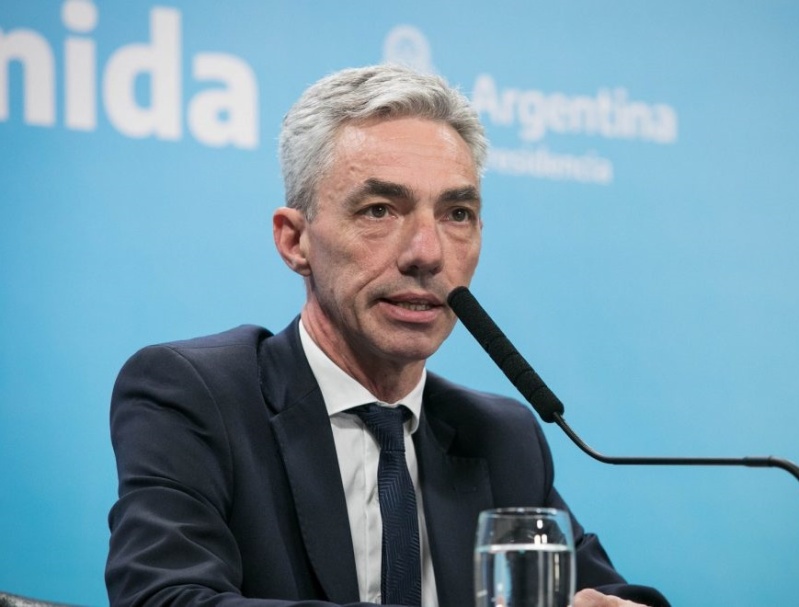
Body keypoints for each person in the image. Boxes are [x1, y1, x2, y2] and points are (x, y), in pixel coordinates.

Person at [106, 64, 669, 607]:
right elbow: (165, 597)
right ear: (295, 241)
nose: (427, 253)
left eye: (457, 214)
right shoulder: (197, 396)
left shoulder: (499, 436)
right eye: (379, 210)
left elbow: (608, 592)